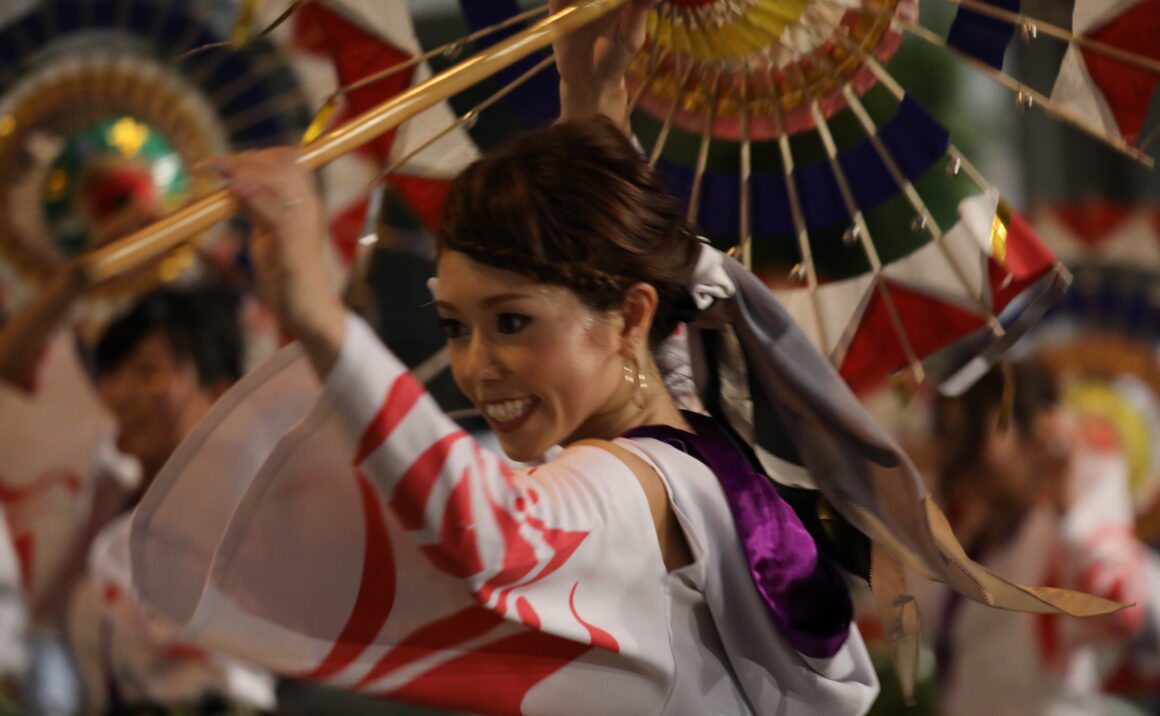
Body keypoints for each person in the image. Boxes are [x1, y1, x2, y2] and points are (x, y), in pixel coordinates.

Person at [126, 1, 1121, 714]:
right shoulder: (693, 443)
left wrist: (318, 317)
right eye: (454, 323)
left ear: (629, 313)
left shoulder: (613, 488)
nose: (475, 365)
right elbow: (633, 324)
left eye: (509, 321)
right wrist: (590, 104)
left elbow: (485, 526)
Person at [919, 361, 1147, 716]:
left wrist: (1070, 507)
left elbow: (1121, 612)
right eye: (948, 434)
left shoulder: (1062, 524)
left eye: (974, 436)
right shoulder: (962, 524)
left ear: (1038, 432)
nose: (958, 458)